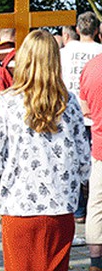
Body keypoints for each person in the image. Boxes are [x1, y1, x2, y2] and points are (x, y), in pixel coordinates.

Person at [0, 29, 90, 270]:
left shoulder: (6, 101)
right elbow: (83, 157)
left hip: (18, 205)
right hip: (60, 205)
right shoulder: (69, 102)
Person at [61, 12, 102, 231]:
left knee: (73, 163)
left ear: (77, 30)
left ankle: (77, 209)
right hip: (96, 116)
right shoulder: (100, 52)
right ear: (96, 31)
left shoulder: (64, 53)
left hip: (70, 114)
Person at [82, 43, 102, 271]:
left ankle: (96, 261)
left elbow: (85, 108)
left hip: (100, 146)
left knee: (96, 204)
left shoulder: (91, 67)